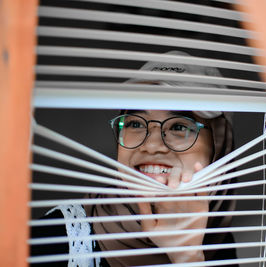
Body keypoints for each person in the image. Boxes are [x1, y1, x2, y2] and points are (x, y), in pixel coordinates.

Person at [31, 52, 237, 266]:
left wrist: (188, 259)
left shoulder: (216, 241)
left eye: (178, 126)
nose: (152, 145)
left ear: (219, 147)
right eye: (136, 124)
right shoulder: (56, 239)